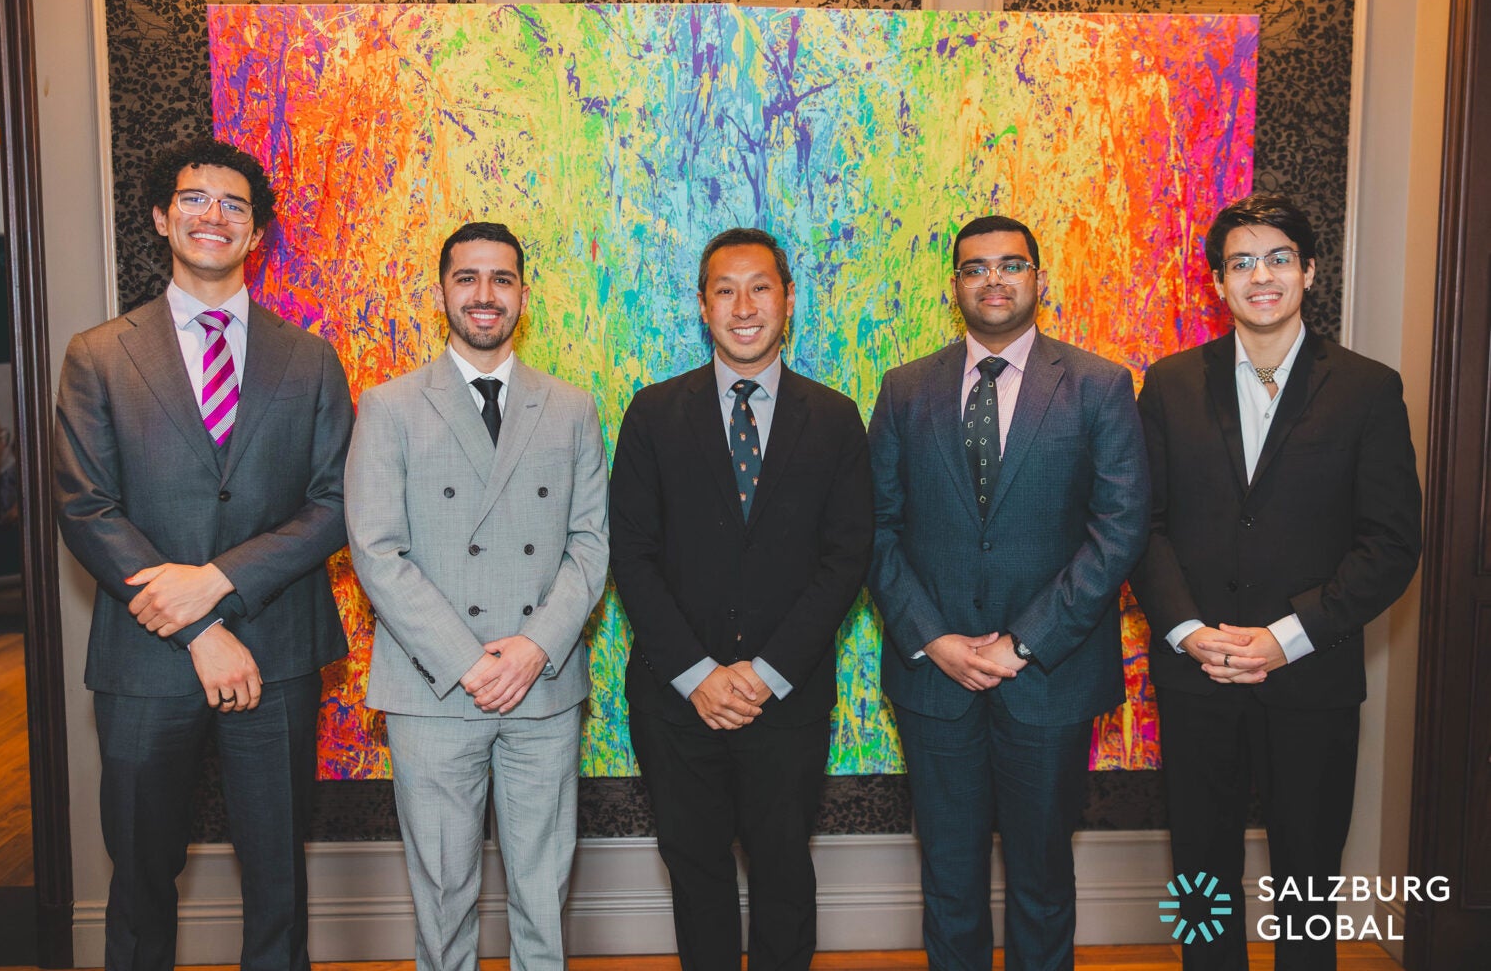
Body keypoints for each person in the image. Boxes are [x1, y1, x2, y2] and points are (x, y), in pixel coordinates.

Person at [53, 137, 354, 971]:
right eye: (194, 199)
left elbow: (335, 507)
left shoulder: (311, 359)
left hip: (279, 649)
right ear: (161, 217)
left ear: (256, 234)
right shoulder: (98, 356)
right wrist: (197, 630)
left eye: (234, 206)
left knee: (277, 882)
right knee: (142, 875)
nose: (213, 216)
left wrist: (218, 583)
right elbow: (86, 507)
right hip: (146, 660)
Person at [1129, 193, 1421, 971]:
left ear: (1310, 271)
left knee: (1307, 884)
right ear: (1218, 284)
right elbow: (1142, 527)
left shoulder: (1367, 388)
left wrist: (1285, 637)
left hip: (1313, 679)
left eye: (1279, 258)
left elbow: (1391, 543)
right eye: (1242, 262)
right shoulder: (1166, 385)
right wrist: (1192, 633)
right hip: (1198, 676)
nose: (1262, 276)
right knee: (1199, 880)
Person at [867, 214, 1149, 971]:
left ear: (1039, 279)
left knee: (1042, 879)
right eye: (975, 267)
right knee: (949, 880)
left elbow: (1119, 529)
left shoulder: (1098, 385)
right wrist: (934, 638)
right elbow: (875, 528)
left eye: (1011, 265)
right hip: (936, 679)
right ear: (954, 285)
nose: (993, 279)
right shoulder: (904, 389)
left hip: (1050, 677)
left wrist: (1023, 643)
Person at [345, 221, 608, 971]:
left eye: (501, 279)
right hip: (432, 688)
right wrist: (467, 660)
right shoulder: (389, 406)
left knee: (541, 889)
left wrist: (531, 649)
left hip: (543, 685)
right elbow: (376, 549)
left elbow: (591, 544)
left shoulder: (570, 407)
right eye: (468, 278)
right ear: (441, 294)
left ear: (523, 294)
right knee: (442, 892)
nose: (484, 295)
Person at [609, 228, 873, 971]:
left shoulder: (835, 417)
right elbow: (631, 554)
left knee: (785, 871)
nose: (744, 305)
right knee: (694, 871)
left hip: (785, 698)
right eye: (725, 290)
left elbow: (846, 558)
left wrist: (765, 672)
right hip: (675, 699)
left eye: (761, 287)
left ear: (788, 300)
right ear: (702, 306)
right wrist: (699, 673)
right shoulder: (654, 413)